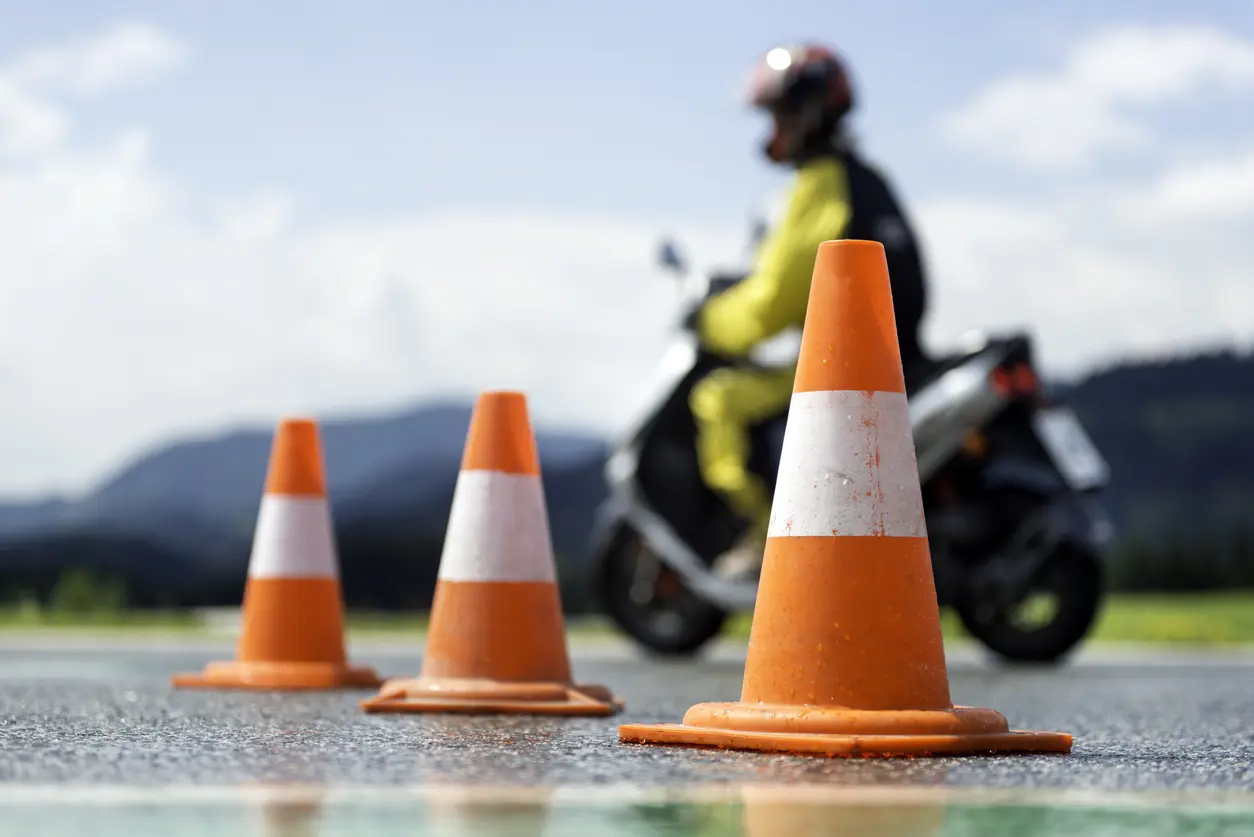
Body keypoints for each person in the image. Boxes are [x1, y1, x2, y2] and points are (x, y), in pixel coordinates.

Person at [690, 42, 930, 580]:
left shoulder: (821, 184)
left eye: (779, 112)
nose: (773, 126)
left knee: (719, 399)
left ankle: (761, 539)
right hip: (895, 357)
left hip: (847, 368)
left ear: (811, 111)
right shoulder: (866, 179)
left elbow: (774, 300)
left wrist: (710, 322)